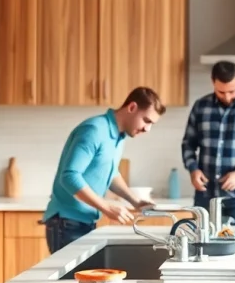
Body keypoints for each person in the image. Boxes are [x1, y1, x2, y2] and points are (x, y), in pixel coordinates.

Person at [42, 87, 166, 254]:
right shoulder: (94, 130)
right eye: (146, 120)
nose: (147, 129)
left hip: (84, 222)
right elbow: (69, 176)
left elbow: (110, 172)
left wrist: (135, 201)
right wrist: (107, 208)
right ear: (131, 108)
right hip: (66, 223)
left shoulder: (118, 136)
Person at [181, 61, 235, 226]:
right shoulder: (201, 106)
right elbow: (188, 144)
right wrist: (193, 169)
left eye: (232, 91)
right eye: (221, 92)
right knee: (201, 242)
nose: (227, 97)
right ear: (212, 82)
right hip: (205, 194)